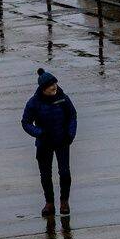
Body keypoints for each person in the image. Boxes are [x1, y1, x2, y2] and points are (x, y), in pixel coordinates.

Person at [21, 68, 77, 216]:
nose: (54, 87)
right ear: (43, 88)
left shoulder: (63, 98)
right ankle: (49, 203)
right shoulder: (34, 102)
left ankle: (64, 202)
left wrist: (70, 134)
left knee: (64, 173)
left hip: (62, 141)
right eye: (51, 86)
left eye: (55, 84)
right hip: (44, 143)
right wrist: (39, 133)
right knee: (45, 175)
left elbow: (72, 115)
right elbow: (25, 122)